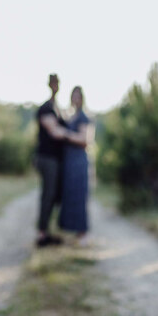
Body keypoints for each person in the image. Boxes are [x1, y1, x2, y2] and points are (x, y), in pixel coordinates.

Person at [58, 86, 95, 247]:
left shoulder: (84, 117)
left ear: (82, 98)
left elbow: (84, 140)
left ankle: (83, 233)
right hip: (69, 162)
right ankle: (75, 231)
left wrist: (64, 134)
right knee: (71, 195)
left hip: (79, 161)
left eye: (78, 96)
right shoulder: (72, 116)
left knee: (80, 196)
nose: (75, 98)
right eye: (73, 95)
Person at [34, 73, 67, 247]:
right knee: (48, 194)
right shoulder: (46, 108)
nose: (56, 86)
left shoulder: (58, 108)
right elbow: (54, 132)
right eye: (53, 83)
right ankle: (42, 234)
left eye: (58, 83)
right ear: (50, 85)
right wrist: (77, 136)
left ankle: (46, 230)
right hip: (47, 158)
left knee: (54, 195)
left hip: (56, 159)